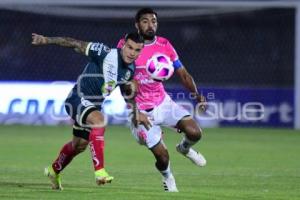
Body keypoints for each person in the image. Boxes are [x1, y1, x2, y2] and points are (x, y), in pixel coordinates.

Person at [31, 32, 150, 190]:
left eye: (137, 50)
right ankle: (100, 171)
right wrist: (46, 40)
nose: (132, 53)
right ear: (123, 45)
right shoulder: (104, 52)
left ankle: (53, 170)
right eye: (129, 47)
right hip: (77, 98)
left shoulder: (130, 69)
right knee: (99, 121)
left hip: (93, 106)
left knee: (79, 145)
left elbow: (126, 92)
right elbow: (73, 42)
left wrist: (136, 112)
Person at [117, 8, 207, 192]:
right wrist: (135, 112)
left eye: (154, 21)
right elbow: (123, 82)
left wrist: (197, 96)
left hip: (163, 103)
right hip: (140, 110)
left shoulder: (165, 45)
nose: (150, 25)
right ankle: (168, 177)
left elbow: (183, 73)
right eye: (145, 21)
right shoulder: (127, 45)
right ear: (137, 24)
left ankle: (184, 148)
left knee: (195, 133)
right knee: (163, 158)